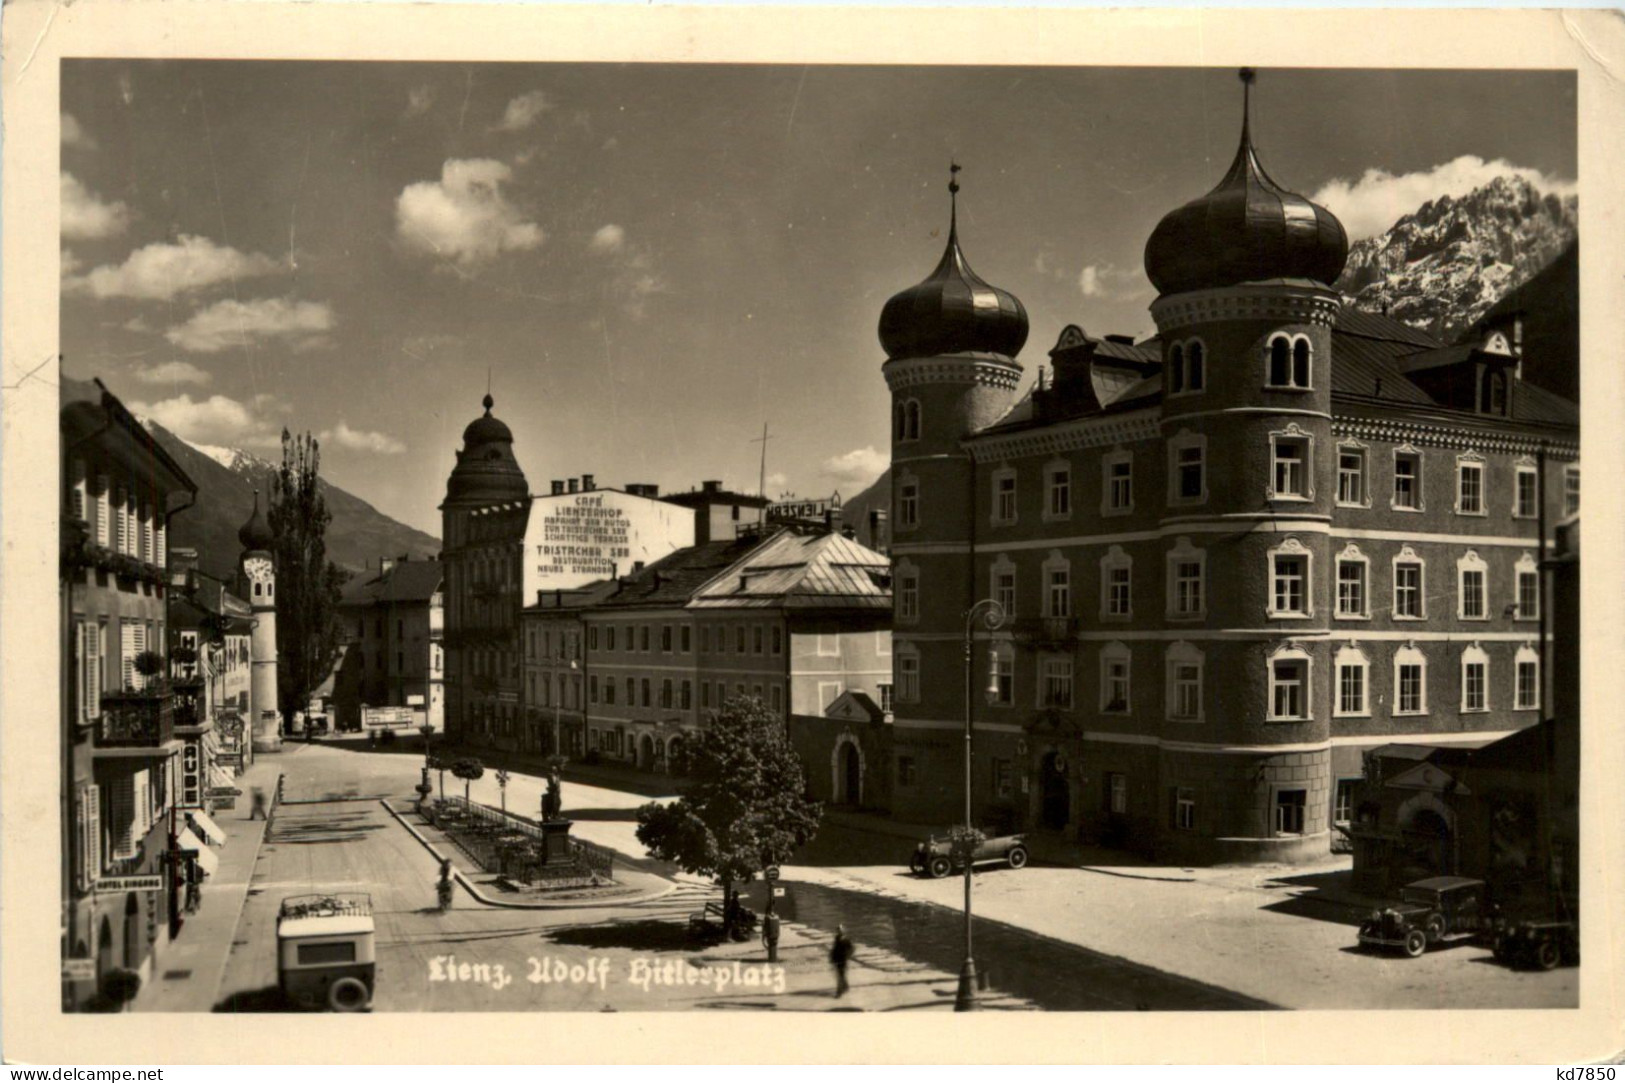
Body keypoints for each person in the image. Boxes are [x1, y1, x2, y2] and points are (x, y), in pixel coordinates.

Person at [830, 924, 854, 998]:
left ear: (844, 931)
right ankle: (846, 986)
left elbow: (851, 949)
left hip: (843, 960)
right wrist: (832, 958)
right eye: (838, 931)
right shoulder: (837, 938)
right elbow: (834, 949)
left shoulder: (846, 939)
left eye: (840, 931)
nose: (839, 932)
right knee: (841, 975)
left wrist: (847, 956)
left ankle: (839, 992)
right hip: (837, 959)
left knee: (840, 976)